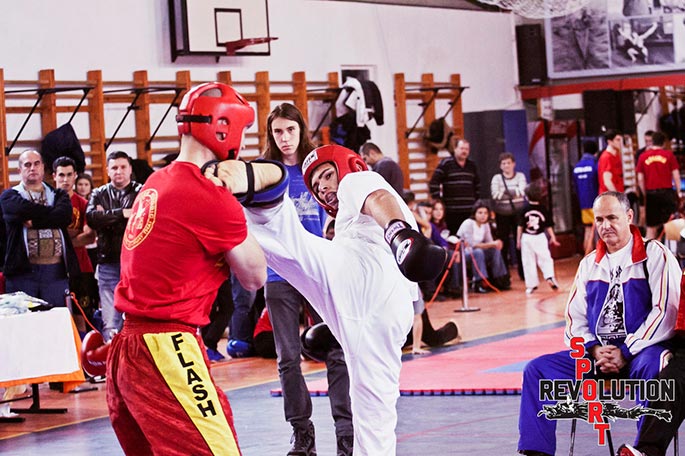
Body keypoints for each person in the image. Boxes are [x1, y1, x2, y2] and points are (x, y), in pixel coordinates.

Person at [207, 143, 447, 455]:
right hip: (381, 317)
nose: (322, 187)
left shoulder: (358, 180)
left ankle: (259, 192)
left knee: (291, 245)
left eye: (326, 175)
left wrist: (400, 234)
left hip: (369, 269)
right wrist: (339, 329)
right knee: (374, 417)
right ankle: (339, 334)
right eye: (316, 184)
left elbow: (377, 198)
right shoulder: (344, 221)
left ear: (349, 165)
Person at [105, 82, 268, 455]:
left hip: (127, 348)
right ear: (224, 128)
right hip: (166, 348)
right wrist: (237, 204)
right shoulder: (208, 195)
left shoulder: (156, 180)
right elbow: (255, 276)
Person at [517, 191, 681, 456]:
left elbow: (665, 312)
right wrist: (593, 349)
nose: (606, 225)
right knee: (537, 370)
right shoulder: (588, 264)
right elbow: (574, 320)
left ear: (629, 216)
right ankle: (537, 452)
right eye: (600, 219)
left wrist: (625, 351)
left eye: (612, 218)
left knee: (657, 366)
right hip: (597, 356)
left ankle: (643, 451)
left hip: (641, 353)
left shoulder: (655, 254)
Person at [261, 102, 354, 456]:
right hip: (278, 272)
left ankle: (346, 433)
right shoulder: (266, 174)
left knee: (337, 349)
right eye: (278, 131)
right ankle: (302, 434)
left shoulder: (318, 168)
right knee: (287, 357)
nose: (284, 138)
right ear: (270, 135)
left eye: (290, 130)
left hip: (318, 268)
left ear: (301, 130)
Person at [0, 149, 79, 307]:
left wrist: (34, 222)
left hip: (55, 271)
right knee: (24, 318)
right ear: (19, 170)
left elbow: (64, 216)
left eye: (36, 164)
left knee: (57, 317)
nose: (32, 168)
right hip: (23, 272)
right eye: (27, 165)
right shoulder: (9, 196)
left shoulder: (59, 195)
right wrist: (52, 215)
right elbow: (19, 210)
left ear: (43, 167)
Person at [86, 151, 142, 342]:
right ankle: (111, 358)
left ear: (130, 169)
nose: (119, 171)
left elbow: (142, 218)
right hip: (108, 262)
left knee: (136, 317)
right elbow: (92, 218)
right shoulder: (98, 193)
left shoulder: (141, 191)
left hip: (135, 263)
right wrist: (123, 214)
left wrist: (107, 216)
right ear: (108, 170)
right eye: (114, 168)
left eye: (123, 167)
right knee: (110, 321)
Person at [52, 156, 96, 331]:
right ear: (54, 176)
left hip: (81, 266)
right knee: (56, 315)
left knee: (81, 315)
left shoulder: (83, 203)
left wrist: (59, 241)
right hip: (54, 267)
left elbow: (89, 236)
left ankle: (82, 349)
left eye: (69, 175)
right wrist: (74, 237)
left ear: (75, 175)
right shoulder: (48, 202)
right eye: (61, 175)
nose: (65, 179)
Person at [429, 137, 480, 234]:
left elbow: (477, 185)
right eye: (462, 148)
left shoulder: (472, 165)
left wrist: (475, 202)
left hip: (469, 210)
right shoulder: (446, 163)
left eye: (466, 149)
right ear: (455, 149)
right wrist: (439, 201)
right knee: (453, 237)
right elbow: (434, 182)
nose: (464, 151)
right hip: (451, 211)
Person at [457, 200, 510, 293]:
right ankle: (480, 282)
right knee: (478, 252)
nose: (483, 215)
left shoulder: (485, 225)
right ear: (475, 213)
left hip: (479, 252)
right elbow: (472, 244)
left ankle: (499, 278)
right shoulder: (468, 223)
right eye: (480, 213)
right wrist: (492, 244)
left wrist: (496, 244)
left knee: (495, 250)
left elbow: (489, 242)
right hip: (464, 252)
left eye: (485, 213)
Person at [516, 182, 561, 295]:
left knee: (528, 261)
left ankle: (531, 285)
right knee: (545, 258)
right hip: (540, 237)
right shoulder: (543, 209)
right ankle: (550, 276)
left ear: (526, 196)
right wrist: (553, 238)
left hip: (526, 237)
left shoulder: (524, 209)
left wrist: (518, 240)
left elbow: (520, 226)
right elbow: (548, 225)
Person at [636, 131, 681, 239]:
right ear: (664, 143)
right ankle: (671, 249)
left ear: (652, 142)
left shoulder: (643, 156)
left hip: (651, 195)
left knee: (651, 228)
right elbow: (676, 176)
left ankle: (649, 249)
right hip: (667, 193)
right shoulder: (669, 155)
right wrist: (678, 192)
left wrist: (644, 193)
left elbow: (640, 178)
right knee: (671, 227)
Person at [490, 152, 527, 279]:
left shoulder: (520, 176)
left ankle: (523, 273)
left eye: (509, 163)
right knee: (503, 244)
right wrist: (514, 192)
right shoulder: (496, 178)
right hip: (502, 214)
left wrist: (504, 192)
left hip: (518, 214)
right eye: (504, 163)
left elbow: (522, 192)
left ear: (514, 164)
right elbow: (495, 195)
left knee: (520, 242)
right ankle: (504, 274)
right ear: (500, 166)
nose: (506, 165)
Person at [573, 140, 600, 255]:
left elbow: (575, 187)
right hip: (596, 202)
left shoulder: (577, 167)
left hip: (583, 204)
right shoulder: (595, 164)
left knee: (588, 230)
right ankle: (599, 259)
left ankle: (587, 258)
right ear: (595, 151)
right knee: (599, 233)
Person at [598, 130, 625, 194]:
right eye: (618, 140)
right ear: (609, 142)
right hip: (609, 196)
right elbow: (607, 181)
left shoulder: (617, 155)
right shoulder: (606, 157)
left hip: (618, 193)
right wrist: (617, 196)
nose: (620, 142)